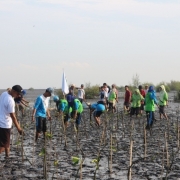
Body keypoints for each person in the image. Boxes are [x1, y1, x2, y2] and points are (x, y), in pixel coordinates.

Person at [0, 85, 23, 158]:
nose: (18, 96)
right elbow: (13, 116)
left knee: (6, 143)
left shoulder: (4, 94)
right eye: (18, 94)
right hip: (5, 124)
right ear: (14, 92)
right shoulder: (10, 101)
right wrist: (19, 128)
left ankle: (7, 156)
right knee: (4, 144)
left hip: (1, 122)